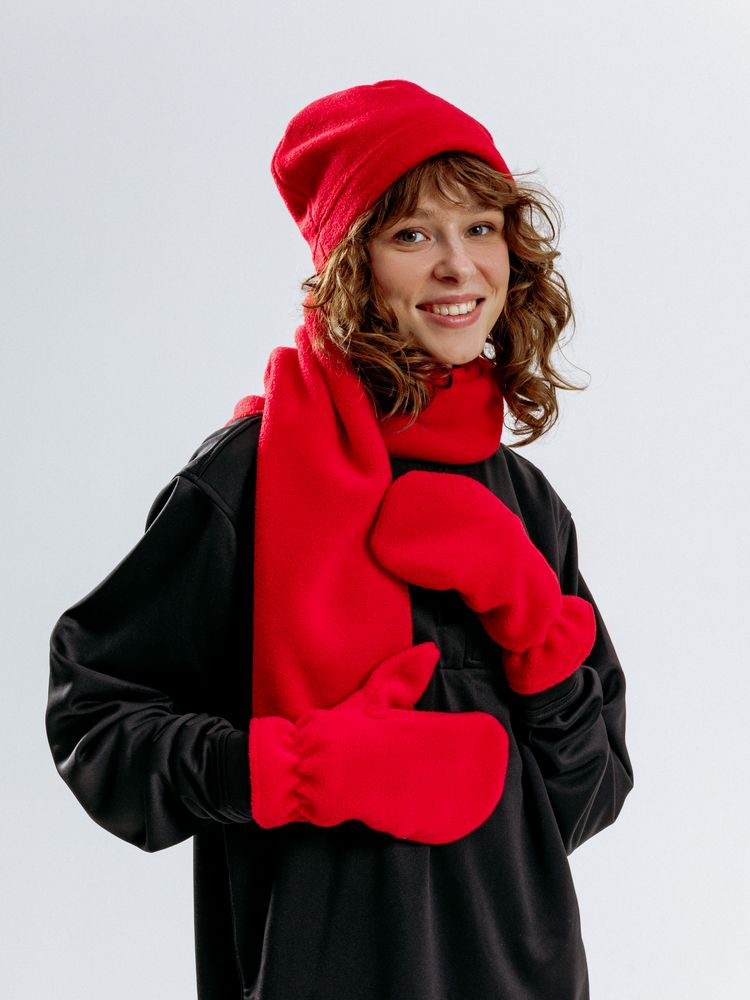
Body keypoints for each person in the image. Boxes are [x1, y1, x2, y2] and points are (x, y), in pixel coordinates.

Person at [46, 79, 633, 999]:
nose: (458, 266)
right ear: (352, 266)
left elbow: (586, 799)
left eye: (480, 228)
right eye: (413, 235)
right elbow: (96, 726)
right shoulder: (248, 479)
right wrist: (293, 771)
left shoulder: (525, 504)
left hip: (523, 974)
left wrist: (536, 626)